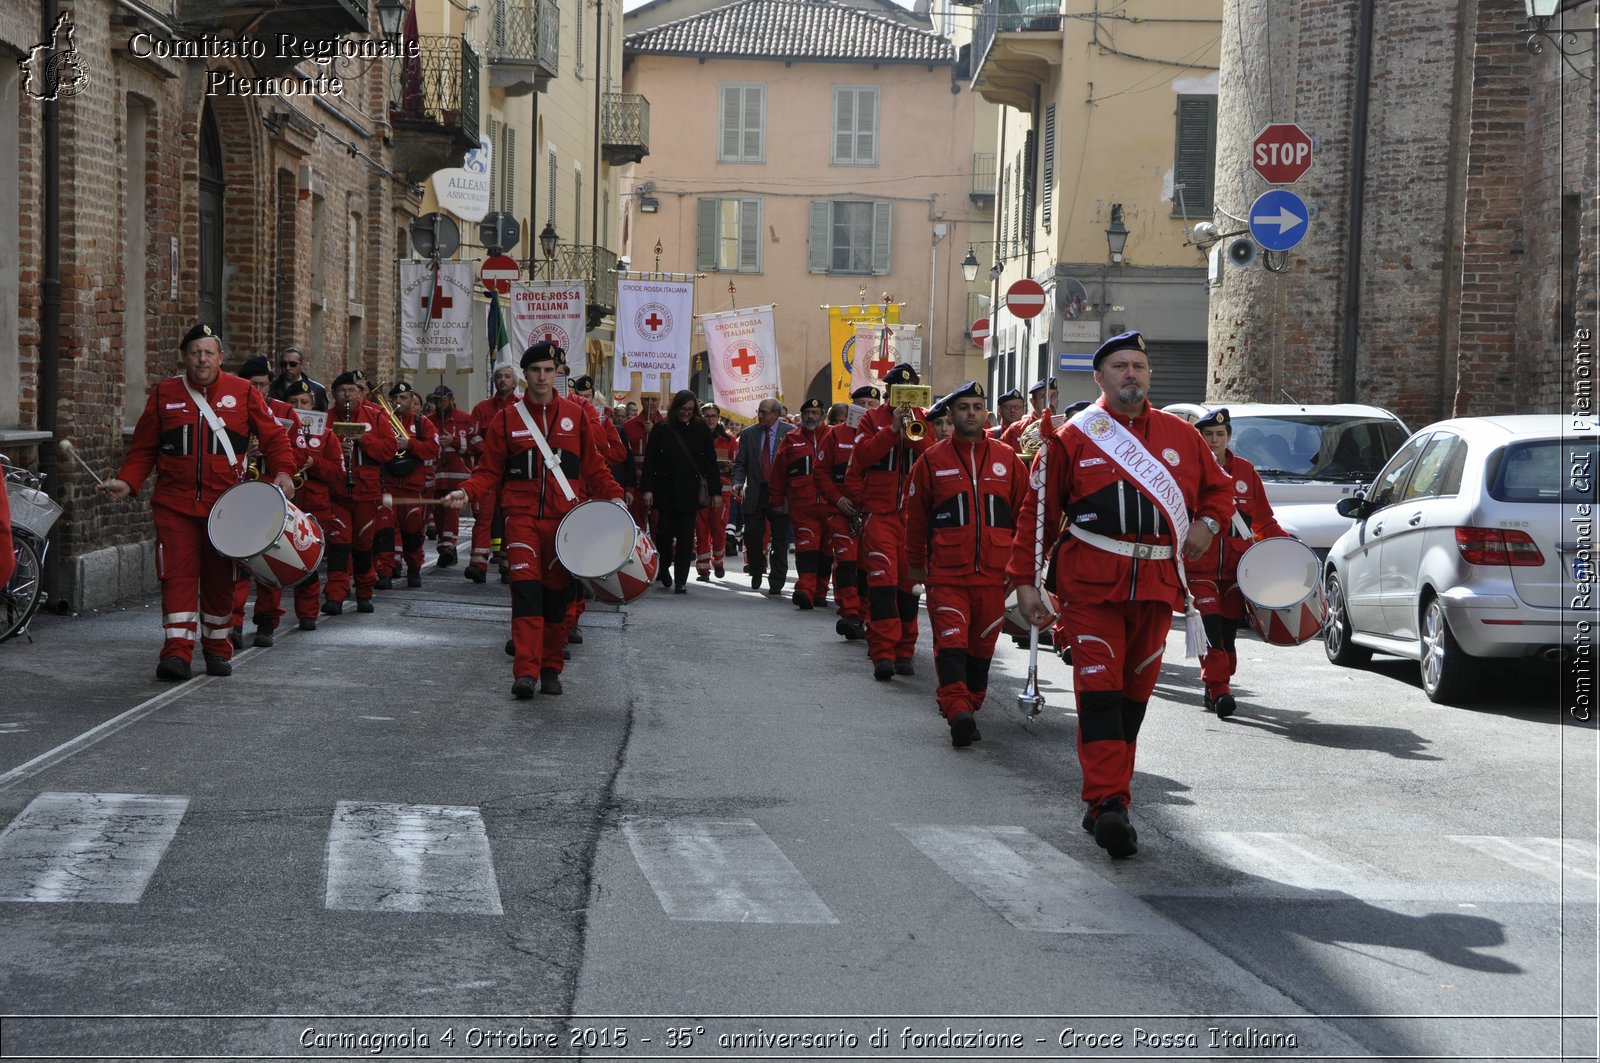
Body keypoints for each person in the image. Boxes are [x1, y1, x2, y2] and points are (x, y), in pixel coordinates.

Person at [1010, 331, 1232, 859]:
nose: (1131, 373)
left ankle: (1108, 801)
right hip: (1090, 585)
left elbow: (1219, 491)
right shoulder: (1073, 437)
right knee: (1100, 691)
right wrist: (1025, 581)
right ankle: (1108, 802)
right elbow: (1036, 514)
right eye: (1120, 366)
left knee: (1133, 698)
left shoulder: (1183, 436)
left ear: (1148, 375)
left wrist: (1207, 523)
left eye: (1139, 365)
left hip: (1156, 588)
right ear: (1100, 378)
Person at [100, 323, 297, 680]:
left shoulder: (243, 393)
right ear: (185, 357)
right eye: (195, 352)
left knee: (221, 580)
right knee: (177, 576)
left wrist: (283, 472)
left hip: (227, 509)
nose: (202, 359)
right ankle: (176, 653)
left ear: (220, 358)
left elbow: (274, 438)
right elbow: (144, 448)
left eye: (208, 352)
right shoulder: (164, 394)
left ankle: (218, 648)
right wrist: (128, 481)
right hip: (175, 505)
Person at [442, 342, 622, 699]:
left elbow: (595, 467)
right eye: (535, 370)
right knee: (525, 593)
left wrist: (614, 495)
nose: (542, 377)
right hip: (521, 518)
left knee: (556, 598)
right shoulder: (507, 419)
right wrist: (467, 492)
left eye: (548, 370)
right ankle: (525, 672)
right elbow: (488, 470)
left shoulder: (577, 415)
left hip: (564, 523)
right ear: (524, 376)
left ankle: (551, 667)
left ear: (557, 374)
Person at [907, 382, 1031, 747]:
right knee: (951, 643)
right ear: (951, 415)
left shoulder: (1008, 458)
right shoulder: (931, 460)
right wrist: (916, 565)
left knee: (981, 650)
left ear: (986, 414)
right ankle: (956, 709)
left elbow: (1025, 516)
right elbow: (915, 519)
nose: (971, 413)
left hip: (996, 577)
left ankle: (969, 703)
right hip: (946, 573)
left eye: (978, 407)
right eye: (964, 408)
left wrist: (1025, 568)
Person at [1191, 407, 1290, 718]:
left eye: (1220, 435)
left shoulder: (1246, 472)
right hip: (1199, 568)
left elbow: (1264, 521)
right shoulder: (1189, 472)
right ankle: (1219, 689)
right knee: (1211, 630)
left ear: (1228, 437)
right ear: (1199, 438)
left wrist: (1289, 549)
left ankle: (1216, 687)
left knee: (1229, 636)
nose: (1214, 440)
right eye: (1208, 435)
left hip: (1239, 570)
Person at [844, 363, 931, 681]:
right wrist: (892, 430)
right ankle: (882, 651)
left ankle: (905, 651)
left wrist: (914, 429)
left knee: (909, 588)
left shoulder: (925, 419)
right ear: (888, 392)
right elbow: (863, 457)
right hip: (879, 515)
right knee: (882, 583)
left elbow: (932, 458)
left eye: (909, 392)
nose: (904, 399)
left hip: (912, 518)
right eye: (898, 393)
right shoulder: (871, 418)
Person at [230, 355, 302, 648]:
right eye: (251, 384)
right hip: (240, 492)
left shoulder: (284, 411)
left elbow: (295, 454)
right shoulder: (231, 409)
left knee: (270, 560)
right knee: (235, 563)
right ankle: (232, 623)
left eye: (261, 384)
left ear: (269, 385)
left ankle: (266, 621)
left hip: (271, 493)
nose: (256, 389)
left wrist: (270, 455)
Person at [322, 369, 398, 615]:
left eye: (352, 390)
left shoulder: (375, 417)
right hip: (338, 492)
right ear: (334, 394)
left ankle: (365, 591)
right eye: (342, 391)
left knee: (364, 544)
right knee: (339, 543)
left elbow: (389, 449)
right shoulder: (326, 418)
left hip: (367, 491)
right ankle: (335, 593)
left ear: (360, 393)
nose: (347, 395)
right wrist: (336, 447)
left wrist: (363, 440)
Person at [276, 377, 343, 633]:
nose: (299, 406)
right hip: (289, 503)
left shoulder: (326, 436)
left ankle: (307, 613)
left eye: (304, 402)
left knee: (310, 561)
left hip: (315, 505)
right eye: (294, 402)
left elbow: (337, 473)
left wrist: (315, 465)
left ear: (313, 405)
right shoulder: (281, 431)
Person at [642, 390, 722, 593]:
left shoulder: (701, 429)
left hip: (689, 491)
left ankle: (681, 580)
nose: (686, 413)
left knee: (686, 537)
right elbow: (651, 461)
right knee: (664, 534)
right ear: (675, 408)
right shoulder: (662, 428)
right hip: (665, 490)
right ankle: (665, 568)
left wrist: (716, 491)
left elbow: (710, 462)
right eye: (682, 409)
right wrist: (648, 489)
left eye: (690, 409)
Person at [815, 390, 874, 641]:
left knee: (866, 565)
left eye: (871, 404)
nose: (865, 408)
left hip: (872, 513)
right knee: (847, 559)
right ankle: (849, 612)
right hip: (841, 511)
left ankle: (862, 614)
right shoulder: (835, 435)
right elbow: (820, 473)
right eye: (860, 404)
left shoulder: (885, 436)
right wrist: (838, 500)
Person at [377, 381, 440, 589]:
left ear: (412, 401)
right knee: (385, 531)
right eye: (395, 398)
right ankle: (385, 572)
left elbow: (433, 448)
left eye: (403, 398)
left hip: (413, 488)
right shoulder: (384, 421)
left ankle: (414, 568)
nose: (398, 402)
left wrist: (409, 444)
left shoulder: (422, 423)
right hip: (389, 485)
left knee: (413, 532)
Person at [768, 397, 829, 609]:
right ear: (802, 416)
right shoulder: (791, 439)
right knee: (807, 548)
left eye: (815, 412)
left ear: (823, 415)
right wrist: (776, 499)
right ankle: (805, 589)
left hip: (832, 506)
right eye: (807, 413)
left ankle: (821, 591)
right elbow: (778, 473)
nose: (811, 416)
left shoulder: (832, 437)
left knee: (826, 552)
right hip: (803, 505)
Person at [731, 398, 796, 595]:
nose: (760, 415)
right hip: (755, 492)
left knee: (779, 539)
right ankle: (757, 570)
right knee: (752, 536)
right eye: (759, 411)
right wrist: (738, 482)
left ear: (776, 414)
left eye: (764, 412)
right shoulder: (749, 433)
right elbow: (740, 463)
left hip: (779, 493)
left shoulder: (790, 433)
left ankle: (777, 580)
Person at [464, 363, 521, 582]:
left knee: (511, 518)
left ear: (515, 382)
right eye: (499, 376)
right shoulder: (482, 408)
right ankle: (478, 564)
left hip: (513, 474)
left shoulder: (522, 407)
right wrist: (494, 455)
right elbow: (473, 436)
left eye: (507, 376)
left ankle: (509, 565)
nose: (503, 380)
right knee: (483, 517)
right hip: (488, 473)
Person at [425, 385, 474, 566]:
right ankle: (446, 546)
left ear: (451, 399)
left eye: (443, 400)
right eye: (436, 401)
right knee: (438, 512)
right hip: (436, 475)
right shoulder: (428, 421)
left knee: (451, 510)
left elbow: (475, 447)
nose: (439, 404)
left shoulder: (465, 419)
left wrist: (453, 441)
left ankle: (447, 546)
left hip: (458, 475)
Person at [695, 402, 738, 581]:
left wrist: (729, 466)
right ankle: (703, 569)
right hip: (702, 489)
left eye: (713, 415)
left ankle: (718, 561)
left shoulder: (729, 440)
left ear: (719, 417)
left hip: (722, 490)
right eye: (707, 415)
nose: (710, 419)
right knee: (701, 529)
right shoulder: (695, 437)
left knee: (719, 529)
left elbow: (736, 465)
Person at [621, 395, 663, 537]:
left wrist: (656, 432)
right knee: (636, 529)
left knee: (660, 529)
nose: (650, 402)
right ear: (640, 400)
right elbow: (625, 458)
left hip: (659, 485)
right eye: (646, 399)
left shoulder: (667, 425)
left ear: (660, 400)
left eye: (654, 399)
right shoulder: (628, 426)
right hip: (637, 485)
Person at [1000, 377, 1058, 450]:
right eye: (1043, 397)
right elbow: (1000, 454)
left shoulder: (1065, 428)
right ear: (1033, 402)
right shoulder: (1016, 429)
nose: (1049, 401)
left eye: (1053, 396)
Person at [268, 346, 328, 411]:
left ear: (302, 365)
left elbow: (323, 416)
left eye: (293, 364)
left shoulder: (317, 390)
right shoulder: (271, 389)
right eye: (284, 364)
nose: (288, 368)